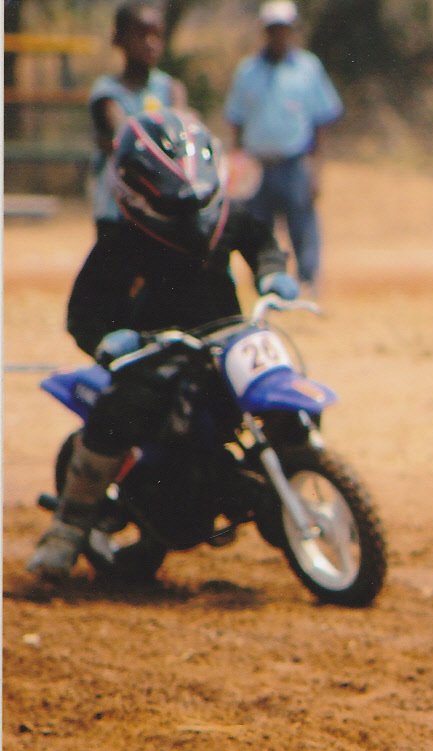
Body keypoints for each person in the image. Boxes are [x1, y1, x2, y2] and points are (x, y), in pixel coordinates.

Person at [27, 110, 298, 582]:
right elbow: (86, 309)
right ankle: (67, 529)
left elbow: (260, 241)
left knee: (274, 387)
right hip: (159, 348)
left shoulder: (227, 215)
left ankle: (283, 478)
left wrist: (271, 271)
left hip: (230, 333)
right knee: (121, 411)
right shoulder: (125, 238)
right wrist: (108, 340)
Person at [223, 0, 341, 292]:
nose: (279, 36)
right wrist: (237, 167)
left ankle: (308, 282)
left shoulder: (308, 69)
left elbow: (322, 120)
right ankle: (264, 283)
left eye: (284, 29)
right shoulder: (247, 71)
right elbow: (236, 120)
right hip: (257, 165)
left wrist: (316, 168)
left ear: (293, 31)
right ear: (265, 32)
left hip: (294, 163)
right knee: (257, 229)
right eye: (273, 30)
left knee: (302, 226)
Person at [88, 3, 187, 232]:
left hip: (161, 210)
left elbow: (182, 136)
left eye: (157, 35)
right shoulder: (107, 93)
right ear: (119, 39)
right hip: (117, 211)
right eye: (142, 34)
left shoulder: (172, 88)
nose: (150, 42)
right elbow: (125, 140)